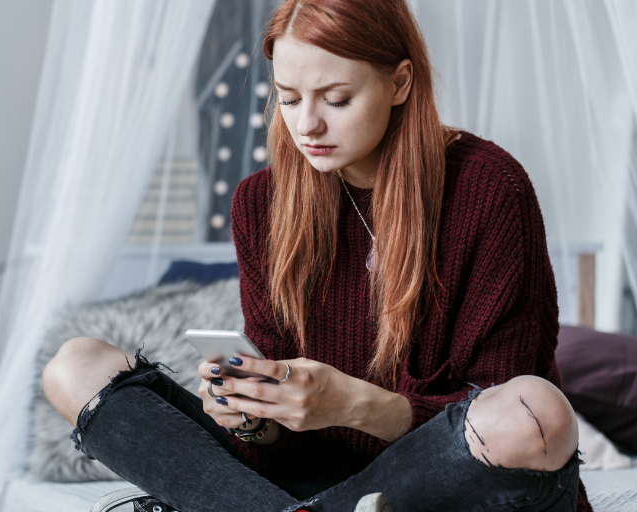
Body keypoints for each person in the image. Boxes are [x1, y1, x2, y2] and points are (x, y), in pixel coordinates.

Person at [41, 0, 591, 510]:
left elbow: (494, 409)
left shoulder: (489, 188)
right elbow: (275, 447)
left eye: (336, 99)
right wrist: (252, 417)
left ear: (400, 83)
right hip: (298, 481)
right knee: (74, 368)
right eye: (288, 97)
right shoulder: (261, 203)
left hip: (444, 479)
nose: (307, 125)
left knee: (535, 411)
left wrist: (357, 405)